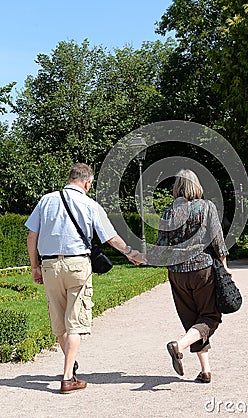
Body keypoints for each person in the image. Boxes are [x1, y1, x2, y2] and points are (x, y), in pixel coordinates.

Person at [26, 163, 145, 394]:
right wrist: (130, 254)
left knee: (59, 321)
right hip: (77, 265)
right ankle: (68, 377)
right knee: (75, 323)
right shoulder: (90, 204)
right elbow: (110, 237)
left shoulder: (46, 201)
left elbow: (32, 236)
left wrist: (35, 267)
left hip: (50, 265)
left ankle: (70, 361)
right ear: (87, 182)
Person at [148, 169, 232, 384]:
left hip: (176, 273)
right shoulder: (207, 207)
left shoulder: (168, 213)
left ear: (177, 188)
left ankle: (205, 371)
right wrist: (225, 266)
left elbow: (161, 245)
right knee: (210, 317)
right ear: (196, 186)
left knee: (193, 321)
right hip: (202, 269)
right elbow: (217, 240)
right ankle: (179, 346)